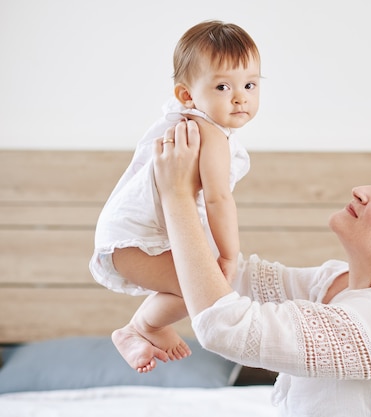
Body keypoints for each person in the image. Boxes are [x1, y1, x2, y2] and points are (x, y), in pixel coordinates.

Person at [141, 119, 371, 416]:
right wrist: (195, 187)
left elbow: (227, 327)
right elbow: (228, 277)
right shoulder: (335, 284)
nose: (362, 190)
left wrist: (178, 198)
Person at [88, 20, 261, 372]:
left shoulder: (189, 123)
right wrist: (228, 254)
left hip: (129, 235)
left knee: (199, 286)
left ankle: (144, 326)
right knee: (208, 287)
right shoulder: (207, 132)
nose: (240, 96)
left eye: (250, 84)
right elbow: (218, 200)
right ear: (187, 94)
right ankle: (142, 327)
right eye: (223, 86)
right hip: (137, 238)